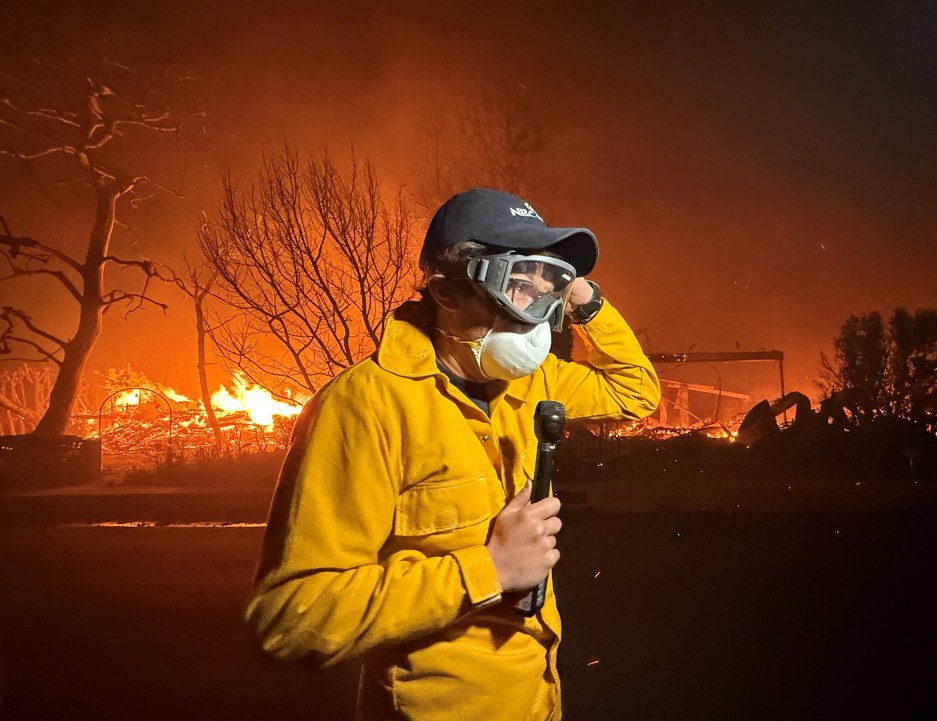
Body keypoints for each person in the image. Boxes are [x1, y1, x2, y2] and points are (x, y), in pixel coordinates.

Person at [244, 187, 660, 720]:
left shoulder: (531, 382)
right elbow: (291, 619)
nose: (534, 314)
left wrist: (586, 300)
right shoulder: (367, 404)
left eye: (548, 288)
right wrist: (488, 569)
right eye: (517, 286)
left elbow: (635, 392)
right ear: (445, 293)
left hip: (537, 700)